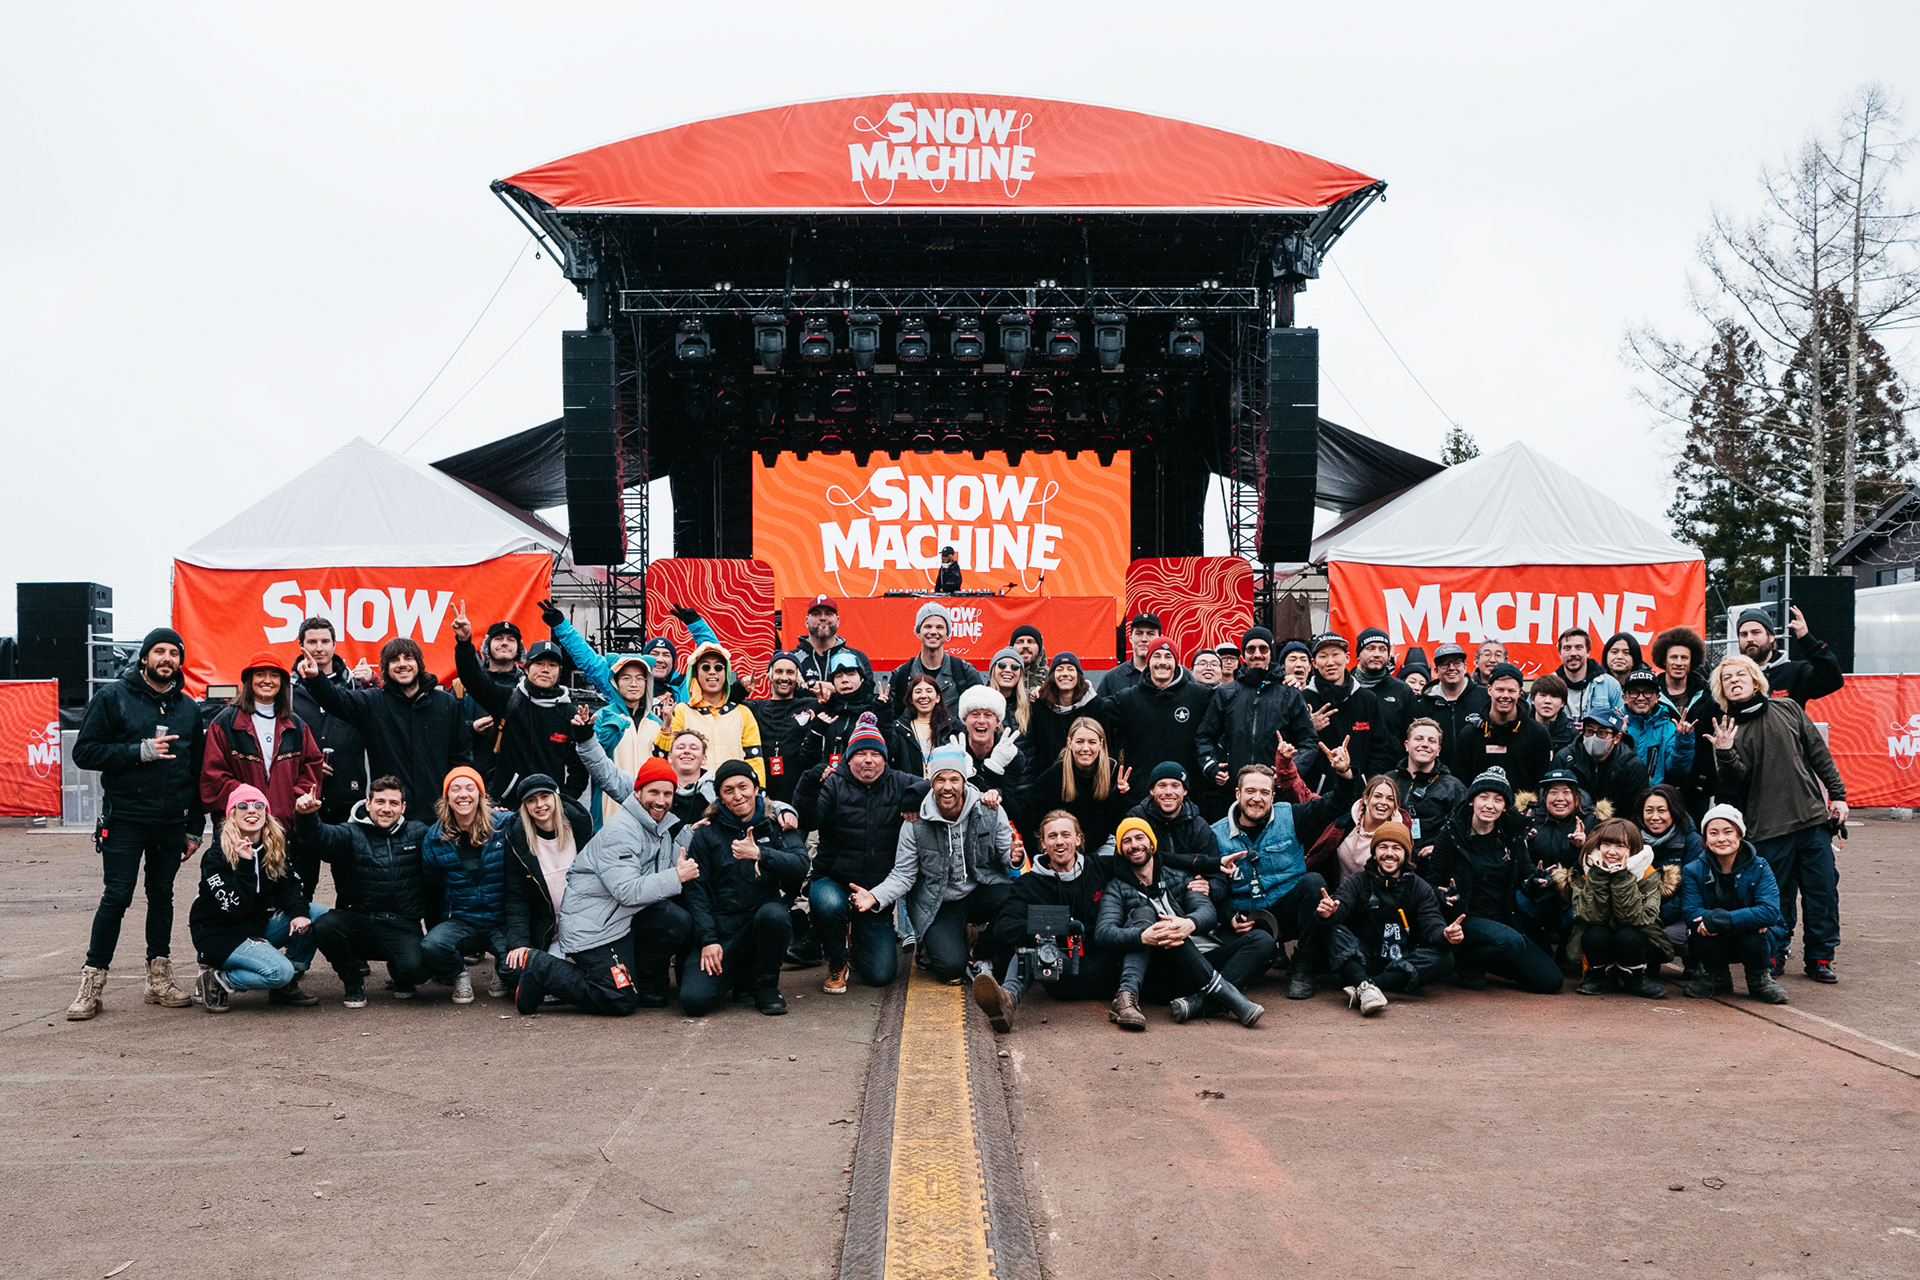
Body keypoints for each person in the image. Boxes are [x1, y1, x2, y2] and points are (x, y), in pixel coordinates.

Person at [67, 626, 208, 1019]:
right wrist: (137, 751)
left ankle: (158, 980)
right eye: (159, 651)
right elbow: (84, 752)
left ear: (181, 661)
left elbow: (196, 771)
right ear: (144, 658)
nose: (167, 659)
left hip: (170, 823)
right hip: (125, 819)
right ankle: (92, 984)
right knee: (117, 897)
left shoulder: (187, 707)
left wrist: (194, 827)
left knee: (162, 896)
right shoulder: (113, 696)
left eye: (174, 653)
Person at [513, 750, 695, 1013]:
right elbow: (628, 892)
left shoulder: (659, 828)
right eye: (653, 792)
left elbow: (657, 874)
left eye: (667, 794)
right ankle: (542, 968)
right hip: (595, 928)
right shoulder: (622, 831)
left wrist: (689, 837)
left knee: (673, 920)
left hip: (622, 920)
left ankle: (642, 982)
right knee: (619, 999)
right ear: (637, 793)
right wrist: (677, 876)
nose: (661, 800)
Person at [1707, 653, 1846, 982]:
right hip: (1767, 828)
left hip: (1813, 820)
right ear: (1721, 690)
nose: (1735, 681)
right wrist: (1725, 753)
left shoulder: (1789, 709)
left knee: (1823, 892)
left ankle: (1821, 957)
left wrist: (1838, 796)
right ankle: (1775, 952)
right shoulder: (1728, 728)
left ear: (1756, 680)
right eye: (1727, 679)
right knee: (1777, 897)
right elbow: (1734, 781)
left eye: (1741, 674)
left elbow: (1819, 754)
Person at [1095, 817, 1270, 1029]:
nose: (1134, 845)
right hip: (1161, 973)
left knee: (1262, 940)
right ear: (1121, 849)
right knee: (1159, 924)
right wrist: (1142, 936)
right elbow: (1104, 932)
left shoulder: (1178, 876)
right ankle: (1228, 997)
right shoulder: (1116, 888)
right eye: (1127, 841)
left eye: (1140, 837)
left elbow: (1207, 911)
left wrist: (1189, 923)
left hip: (1201, 963)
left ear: (1151, 843)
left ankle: (1198, 1003)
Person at [796, 715, 929, 991]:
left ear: (884, 758)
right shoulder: (834, 783)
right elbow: (810, 820)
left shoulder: (899, 781)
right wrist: (808, 786)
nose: (868, 760)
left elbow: (935, 783)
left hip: (875, 891)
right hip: (834, 878)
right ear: (848, 758)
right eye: (860, 753)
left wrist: (914, 795)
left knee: (881, 976)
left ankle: (859, 943)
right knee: (829, 905)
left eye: (874, 754)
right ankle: (837, 959)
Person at [1212, 747, 1355, 1001]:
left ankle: (1303, 966)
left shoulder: (1292, 815)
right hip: (1247, 920)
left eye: (1264, 792)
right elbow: (1211, 886)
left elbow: (1336, 806)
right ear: (1237, 793)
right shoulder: (1215, 834)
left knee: (1313, 883)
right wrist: (1227, 917)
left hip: (1288, 910)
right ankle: (1264, 957)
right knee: (1245, 969)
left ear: (1273, 795)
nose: (1257, 798)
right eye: (1251, 791)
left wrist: (1343, 773)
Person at [678, 760, 809, 1015]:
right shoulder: (707, 833)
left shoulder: (776, 823)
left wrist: (761, 853)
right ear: (721, 798)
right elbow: (696, 890)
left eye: (743, 787)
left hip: (761, 922)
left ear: (756, 789)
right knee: (694, 1001)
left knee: (775, 915)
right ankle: (741, 974)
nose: (738, 796)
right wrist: (708, 939)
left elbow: (800, 864)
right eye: (728, 791)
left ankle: (766, 984)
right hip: (722, 928)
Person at [973, 810, 1121, 1032]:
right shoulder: (1028, 884)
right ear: (1042, 843)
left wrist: (1193, 871)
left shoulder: (1101, 867)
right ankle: (1007, 1000)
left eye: (1065, 834)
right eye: (1052, 836)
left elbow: (1146, 862)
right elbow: (1004, 924)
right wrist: (1036, 932)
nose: (1059, 842)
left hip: (1108, 968)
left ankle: (1133, 996)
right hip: (1059, 972)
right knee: (1029, 947)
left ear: (1078, 839)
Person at [298, 637, 472, 823]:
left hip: (439, 816)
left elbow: (461, 757)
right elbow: (337, 701)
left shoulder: (446, 703)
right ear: (385, 668)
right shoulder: (372, 702)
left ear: (419, 664)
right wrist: (316, 679)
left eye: (409, 658)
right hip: (391, 816)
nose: (402, 664)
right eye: (394, 660)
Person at [1424, 767, 1563, 994]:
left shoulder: (1512, 835)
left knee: (1550, 981)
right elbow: (1430, 882)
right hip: (1466, 917)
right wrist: (1443, 895)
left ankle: (1484, 962)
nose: (1490, 805)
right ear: (1472, 801)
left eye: (1498, 800)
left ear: (1505, 806)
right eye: (1484, 797)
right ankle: (1466, 960)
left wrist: (1537, 881)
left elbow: (1527, 876)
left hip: (1505, 919)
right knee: (1511, 942)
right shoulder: (1450, 833)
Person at [188, 785, 326, 1012]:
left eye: (258, 805)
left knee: (315, 913)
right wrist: (244, 863)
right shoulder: (215, 856)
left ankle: (284, 986)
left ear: (266, 813)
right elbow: (235, 908)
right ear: (232, 814)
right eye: (242, 806)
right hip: (221, 937)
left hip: (254, 927)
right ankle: (218, 980)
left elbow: (289, 887)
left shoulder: (272, 848)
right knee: (278, 971)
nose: (251, 810)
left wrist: (299, 913)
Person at [301, 776, 431, 1007]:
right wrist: (308, 817)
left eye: (393, 803)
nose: (386, 809)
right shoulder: (351, 833)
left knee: (418, 971)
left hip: (402, 925)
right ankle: (352, 979)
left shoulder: (418, 832)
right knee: (325, 926)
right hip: (360, 921)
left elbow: (449, 836)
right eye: (380, 802)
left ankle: (400, 973)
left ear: (403, 807)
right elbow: (321, 840)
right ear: (368, 803)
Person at [900, 743, 1017, 983]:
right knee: (951, 968)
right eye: (940, 779)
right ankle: (937, 940)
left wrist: (1015, 856)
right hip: (939, 902)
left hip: (979, 889)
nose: (947, 787)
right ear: (930, 783)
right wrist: (875, 897)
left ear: (964, 782)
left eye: (954, 779)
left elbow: (1007, 854)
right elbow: (902, 874)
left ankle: (979, 951)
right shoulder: (915, 821)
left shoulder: (988, 808)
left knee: (1015, 901)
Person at [544, 600, 664, 828]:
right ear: (615, 683)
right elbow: (595, 762)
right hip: (611, 817)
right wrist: (588, 733)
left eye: (640, 678)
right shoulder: (604, 717)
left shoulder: (657, 723)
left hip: (652, 817)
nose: (633, 684)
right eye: (626, 678)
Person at [451, 604, 582, 800]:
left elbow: (579, 768)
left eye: (552, 665)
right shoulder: (509, 700)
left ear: (559, 672)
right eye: (539, 663)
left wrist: (564, 801)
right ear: (527, 668)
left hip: (548, 809)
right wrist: (464, 642)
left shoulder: (570, 713)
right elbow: (474, 680)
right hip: (507, 805)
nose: (545, 669)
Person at [1321, 821, 1453, 1015]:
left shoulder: (1420, 887)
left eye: (1396, 848)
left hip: (1402, 961)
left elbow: (1432, 925)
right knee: (1332, 929)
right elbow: (1341, 904)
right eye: (1383, 847)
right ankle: (1364, 982)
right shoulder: (1358, 881)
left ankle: (1367, 986)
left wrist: (1446, 934)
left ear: (1406, 854)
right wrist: (1328, 912)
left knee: (1445, 958)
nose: (1389, 853)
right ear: (1374, 853)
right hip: (1363, 958)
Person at [199, 649, 325, 844]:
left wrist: (292, 801)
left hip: (286, 827)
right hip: (239, 829)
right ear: (249, 680)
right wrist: (251, 802)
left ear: (282, 683)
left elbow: (312, 766)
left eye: (274, 675)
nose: (267, 680)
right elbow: (212, 776)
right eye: (260, 674)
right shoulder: (224, 724)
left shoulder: (297, 725)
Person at [289, 617, 370, 894]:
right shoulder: (287, 690)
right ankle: (302, 934)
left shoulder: (357, 686)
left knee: (350, 885)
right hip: (303, 797)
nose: (319, 648)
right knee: (301, 883)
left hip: (347, 794)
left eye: (325, 641)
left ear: (335, 646)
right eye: (312, 642)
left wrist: (375, 682)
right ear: (301, 646)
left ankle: (343, 937)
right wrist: (305, 763)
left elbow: (385, 715)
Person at [418, 766, 512, 1003]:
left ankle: (502, 970)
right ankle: (459, 974)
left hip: (501, 919)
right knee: (431, 946)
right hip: (462, 919)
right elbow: (433, 886)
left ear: (480, 795)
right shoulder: (434, 837)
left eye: (470, 788)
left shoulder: (504, 825)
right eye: (455, 789)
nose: (463, 794)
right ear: (446, 797)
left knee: (517, 971)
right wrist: (438, 924)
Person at [1679, 805, 1790, 1003]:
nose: (1721, 838)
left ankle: (1759, 979)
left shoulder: (1761, 867)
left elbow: (1769, 912)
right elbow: (1690, 911)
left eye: (1728, 831)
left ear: (1739, 835)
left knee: (1755, 932)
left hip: (1753, 936)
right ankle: (1716, 977)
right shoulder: (1692, 870)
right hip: (1714, 935)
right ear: (1705, 838)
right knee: (1701, 929)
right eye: (1713, 833)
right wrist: (1723, 920)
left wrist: (1722, 918)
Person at [500, 773, 595, 997]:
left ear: (556, 797)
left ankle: (559, 981)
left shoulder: (578, 825)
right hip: (547, 928)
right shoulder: (518, 838)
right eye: (531, 800)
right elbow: (516, 897)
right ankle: (563, 980)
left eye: (545, 796)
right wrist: (520, 943)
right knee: (510, 970)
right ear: (524, 806)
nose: (540, 805)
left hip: (585, 923)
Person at [1196, 627, 1320, 799]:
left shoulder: (1290, 693)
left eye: (1263, 649)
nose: (1257, 654)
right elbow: (1204, 736)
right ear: (1244, 654)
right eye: (1250, 649)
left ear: (1271, 653)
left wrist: (1289, 770)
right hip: (1233, 790)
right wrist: (1211, 765)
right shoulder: (1226, 693)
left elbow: (1309, 742)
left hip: (1276, 792)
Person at [1565, 818, 1670, 998]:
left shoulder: (1649, 874)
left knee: (1627, 935)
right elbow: (1590, 916)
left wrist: (1622, 879)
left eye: (1621, 846)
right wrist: (1598, 877)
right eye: (1606, 844)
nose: (1612, 852)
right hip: (1601, 938)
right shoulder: (1586, 870)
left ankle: (1636, 977)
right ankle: (1600, 976)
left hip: (1639, 940)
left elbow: (1635, 919)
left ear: (1633, 849)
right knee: (1595, 932)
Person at [1015, 717, 1134, 855]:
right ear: (1070, 743)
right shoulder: (1054, 776)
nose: (1085, 748)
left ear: (1101, 744)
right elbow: (1025, 812)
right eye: (1079, 741)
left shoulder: (1112, 771)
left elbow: (1116, 826)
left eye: (1092, 742)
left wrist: (1119, 796)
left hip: (1100, 846)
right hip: (1065, 851)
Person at [1104, 637, 1211, 785]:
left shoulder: (1199, 696)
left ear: (1176, 662)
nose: (1162, 662)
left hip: (1186, 792)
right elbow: (1096, 713)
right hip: (1139, 791)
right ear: (1148, 662)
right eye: (1156, 656)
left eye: (1168, 656)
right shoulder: (1128, 699)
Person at [659, 641, 765, 785]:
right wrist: (666, 728)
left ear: (726, 674)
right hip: (693, 797)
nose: (712, 672)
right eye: (706, 667)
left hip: (733, 796)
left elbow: (755, 761)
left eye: (719, 667)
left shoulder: (743, 713)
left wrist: (758, 793)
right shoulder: (682, 711)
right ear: (695, 673)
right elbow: (669, 757)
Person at [1550, 678, 1649, 814]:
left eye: (1602, 733)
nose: (1594, 737)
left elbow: (1634, 811)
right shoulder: (1565, 758)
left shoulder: (1632, 765)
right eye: (1589, 731)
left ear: (1617, 738)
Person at [1301, 632, 1388, 785]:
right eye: (1323, 656)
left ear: (1347, 658)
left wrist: (1366, 784)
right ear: (1313, 663)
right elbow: (1291, 748)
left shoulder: (1367, 699)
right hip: (1315, 796)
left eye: (1335, 655)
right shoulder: (1303, 699)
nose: (1330, 662)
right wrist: (1309, 728)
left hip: (1360, 793)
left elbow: (1379, 750)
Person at [1454, 662, 1552, 797]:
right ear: (1489, 689)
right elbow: (1461, 781)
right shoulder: (1470, 734)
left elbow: (1541, 782)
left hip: (1523, 812)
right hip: (1481, 812)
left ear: (1520, 693)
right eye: (1500, 689)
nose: (1505, 695)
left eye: (1511, 691)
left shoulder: (1537, 734)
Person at [1650, 626, 1717, 817]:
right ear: (1664, 659)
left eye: (1684, 658)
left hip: (1697, 785)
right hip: (1661, 784)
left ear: (1692, 661)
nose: (1679, 663)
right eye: (1674, 657)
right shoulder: (1651, 694)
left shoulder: (1707, 694)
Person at [1305, 773, 1413, 889]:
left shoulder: (1399, 833)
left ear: (1396, 805)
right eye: (1377, 796)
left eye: (1390, 799)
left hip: (1372, 897)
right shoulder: (1346, 819)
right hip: (1336, 891)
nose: (1383, 802)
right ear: (1366, 799)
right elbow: (1306, 797)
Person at [1638, 783, 1701, 964]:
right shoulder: (1632, 838)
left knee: (1667, 938)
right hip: (1642, 914)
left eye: (1662, 811)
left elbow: (1692, 892)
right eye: (1649, 811)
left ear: (1674, 811)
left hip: (1680, 915)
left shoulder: (1692, 841)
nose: (1655, 817)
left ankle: (1694, 962)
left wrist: (1660, 913)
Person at [1390, 718, 1466, 869]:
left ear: (1438, 750)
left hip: (1431, 867)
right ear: (1407, 745)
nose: (1425, 744)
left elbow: (1464, 831)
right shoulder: (1388, 781)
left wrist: (1442, 848)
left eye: (1431, 741)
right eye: (1419, 739)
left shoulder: (1453, 788)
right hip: (1390, 862)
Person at [745, 651, 819, 808]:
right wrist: (742, 688)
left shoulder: (810, 705)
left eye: (790, 672)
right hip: (762, 800)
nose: (784, 677)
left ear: (797, 677)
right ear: (770, 675)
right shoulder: (755, 707)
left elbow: (843, 698)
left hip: (798, 799)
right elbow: (723, 699)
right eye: (779, 671)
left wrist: (810, 688)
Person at [887, 602, 983, 718]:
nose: (933, 632)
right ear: (918, 632)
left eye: (939, 627)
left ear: (947, 633)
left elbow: (981, 712)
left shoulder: (965, 671)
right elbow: (892, 718)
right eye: (927, 626)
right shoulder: (902, 674)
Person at [1733, 605, 1844, 706]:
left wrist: (1807, 640)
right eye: (1743, 635)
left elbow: (1832, 681)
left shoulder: (1795, 672)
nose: (1749, 639)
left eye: (1756, 632)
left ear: (1771, 637)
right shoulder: (1731, 676)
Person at [804, 651, 890, 771]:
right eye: (838, 676)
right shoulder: (824, 711)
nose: (844, 680)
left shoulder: (876, 710)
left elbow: (892, 754)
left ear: (862, 679)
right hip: (829, 786)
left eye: (851, 674)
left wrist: (884, 714)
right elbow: (806, 761)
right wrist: (815, 733)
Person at [1415, 643, 1491, 774]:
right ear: (1436, 670)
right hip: (1437, 779)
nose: (1451, 668)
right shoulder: (1424, 704)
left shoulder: (1485, 697)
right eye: (1445, 663)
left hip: (1479, 778)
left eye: (1456, 662)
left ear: (1465, 667)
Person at [1024, 652, 1100, 776]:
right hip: (1048, 778)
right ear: (1052, 676)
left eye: (1071, 669)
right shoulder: (1039, 705)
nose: (1065, 673)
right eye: (1059, 669)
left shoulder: (1095, 705)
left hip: (1087, 777)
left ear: (1078, 675)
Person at [458, 619, 524, 758]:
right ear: (487, 646)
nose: (504, 643)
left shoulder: (527, 687)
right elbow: (447, 725)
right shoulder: (463, 685)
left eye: (511, 640)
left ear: (519, 648)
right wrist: (472, 727)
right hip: (472, 770)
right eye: (498, 639)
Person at [1621, 666, 1697, 787]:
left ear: (1657, 697)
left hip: (1654, 799)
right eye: (1634, 692)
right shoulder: (1614, 724)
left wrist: (1683, 741)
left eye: (1648, 692)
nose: (1641, 698)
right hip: (1620, 798)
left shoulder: (1669, 728)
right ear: (1625, 698)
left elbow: (1678, 772)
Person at [952, 684, 1029, 800]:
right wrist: (966, 773)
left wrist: (992, 770)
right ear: (964, 720)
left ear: (998, 721)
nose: (981, 720)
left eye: (988, 715)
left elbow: (1012, 807)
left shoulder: (1012, 756)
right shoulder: (953, 751)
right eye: (975, 714)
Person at [640, 604, 720, 710]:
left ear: (673, 661)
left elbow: (714, 656)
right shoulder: (633, 684)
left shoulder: (687, 684)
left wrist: (697, 626)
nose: (660, 659)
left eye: (666, 655)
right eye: (654, 654)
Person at [793, 594, 874, 695]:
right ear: (806, 621)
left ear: (838, 620)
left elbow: (867, 692)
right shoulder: (793, 659)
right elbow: (784, 692)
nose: (823, 618)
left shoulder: (856, 657)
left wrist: (814, 685)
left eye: (829, 613)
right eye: (816, 614)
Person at [1352, 628, 1415, 750]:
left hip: (1390, 766)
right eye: (1370, 648)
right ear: (1358, 654)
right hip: (1349, 766)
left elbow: (1412, 735)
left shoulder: (1402, 691)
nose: (1377, 654)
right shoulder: (1344, 687)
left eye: (1382, 649)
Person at [891, 672, 955, 778]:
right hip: (910, 789)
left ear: (938, 697)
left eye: (929, 691)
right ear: (911, 699)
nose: (923, 696)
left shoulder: (952, 726)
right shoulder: (900, 728)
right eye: (918, 692)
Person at [1098, 613, 1169, 697]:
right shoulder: (1112, 679)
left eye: (1150, 634)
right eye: (1139, 633)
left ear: (1160, 639)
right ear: (1130, 638)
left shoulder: (1174, 675)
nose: (1144, 639)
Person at [662, 727, 717, 824]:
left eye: (694, 748)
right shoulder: (658, 790)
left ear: (704, 759)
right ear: (670, 758)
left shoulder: (716, 792)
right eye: (680, 747)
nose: (687, 751)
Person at [1551, 627, 1603, 723]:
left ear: (1588, 652)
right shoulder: (1547, 684)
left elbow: (1622, 721)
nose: (1573, 653)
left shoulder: (1609, 684)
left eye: (1579, 647)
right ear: (1560, 653)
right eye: (1567, 648)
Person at [982, 647, 1033, 735]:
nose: (1008, 670)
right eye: (1002, 665)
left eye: (1015, 667)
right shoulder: (980, 702)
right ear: (993, 670)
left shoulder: (1032, 701)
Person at [1527, 672, 1577, 752]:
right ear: (1532, 699)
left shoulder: (1572, 734)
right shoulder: (1519, 728)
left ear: (1562, 703)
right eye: (1543, 695)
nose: (1548, 701)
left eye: (1554, 696)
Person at [1008, 624, 1048, 694]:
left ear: (1040, 649)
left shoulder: (1051, 678)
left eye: (1031, 641)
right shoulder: (1001, 676)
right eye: (1019, 642)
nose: (1025, 646)